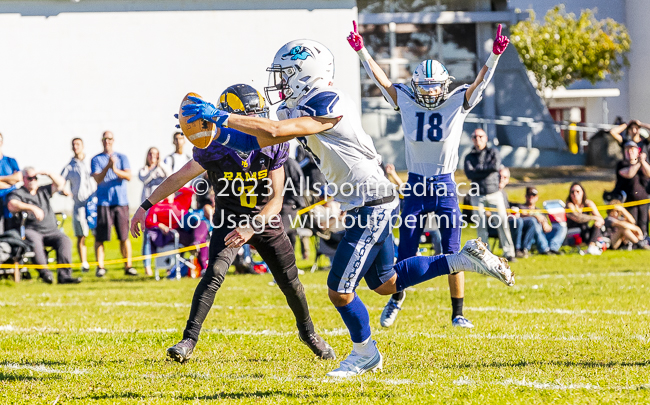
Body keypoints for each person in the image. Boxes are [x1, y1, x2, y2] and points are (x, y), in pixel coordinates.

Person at [180, 39, 515, 378]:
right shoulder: (292, 109)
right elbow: (258, 139)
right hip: (364, 202)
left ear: (304, 73)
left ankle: (364, 354)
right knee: (386, 282)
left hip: (373, 201)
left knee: (339, 290)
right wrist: (213, 133)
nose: (279, 83)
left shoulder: (330, 101)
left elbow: (275, 130)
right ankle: (464, 258)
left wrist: (222, 115)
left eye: (285, 75)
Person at [132, 83, 336, 363]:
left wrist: (252, 226)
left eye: (258, 116)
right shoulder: (214, 147)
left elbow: (277, 200)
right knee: (214, 272)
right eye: (248, 117)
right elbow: (179, 178)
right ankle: (188, 340)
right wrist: (145, 206)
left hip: (264, 220)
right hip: (229, 218)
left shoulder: (272, 144)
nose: (256, 123)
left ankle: (309, 332)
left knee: (290, 283)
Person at [348, 22, 510, 329]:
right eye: (425, 86)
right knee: (405, 251)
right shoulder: (407, 99)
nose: (431, 91)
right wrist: (361, 50)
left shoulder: (457, 101)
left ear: (445, 85)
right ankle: (396, 298)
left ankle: (458, 312)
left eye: (435, 86)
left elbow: (479, 84)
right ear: (416, 85)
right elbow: (383, 82)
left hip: (446, 185)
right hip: (416, 186)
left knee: (452, 252)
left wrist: (494, 57)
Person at [7, 168, 81, 284]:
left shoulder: (43, 191)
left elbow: (61, 184)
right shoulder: (18, 193)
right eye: (30, 178)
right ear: (24, 179)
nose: (33, 180)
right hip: (31, 230)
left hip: (51, 231)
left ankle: (64, 276)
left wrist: (48, 173)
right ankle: (45, 274)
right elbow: (12, 204)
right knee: (35, 242)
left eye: (35, 178)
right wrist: (32, 208)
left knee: (65, 240)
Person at [465, 128, 516, 261]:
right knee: (481, 225)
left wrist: (478, 170)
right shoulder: (469, 156)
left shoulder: (493, 152)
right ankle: (484, 254)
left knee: (502, 222)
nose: (478, 139)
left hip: (494, 192)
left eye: (480, 136)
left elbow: (495, 167)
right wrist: (484, 169)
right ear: (472, 139)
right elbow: (469, 174)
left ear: (486, 138)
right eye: (475, 137)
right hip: (477, 195)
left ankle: (509, 252)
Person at [91, 131, 136, 277]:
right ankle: (101, 267)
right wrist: (108, 167)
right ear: (101, 141)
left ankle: (128, 266)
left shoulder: (122, 158)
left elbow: (129, 176)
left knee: (124, 236)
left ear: (113, 140)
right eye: (104, 139)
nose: (107, 141)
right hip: (104, 202)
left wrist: (115, 169)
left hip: (120, 201)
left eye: (109, 139)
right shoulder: (96, 159)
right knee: (101, 237)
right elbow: (98, 179)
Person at [61, 138, 95, 273]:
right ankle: (84, 263)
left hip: (93, 202)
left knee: (98, 234)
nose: (76, 147)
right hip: (79, 204)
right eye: (73, 145)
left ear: (83, 146)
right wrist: (64, 191)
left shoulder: (90, 163)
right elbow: (60, 182)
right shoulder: (70, 166)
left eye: (78, 144)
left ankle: (100, 264)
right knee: (81, 234)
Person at [139, 147, 172, 276]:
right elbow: (144, 178)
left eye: (155, 154)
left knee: (165, 235)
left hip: (162, 208)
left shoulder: (163, 167)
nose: (153, 156)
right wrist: (153, 169)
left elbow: (170, 176)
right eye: (150, 154)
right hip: (148, 208)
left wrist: (160, 165)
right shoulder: (144, 170)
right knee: (147, 237)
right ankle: (147, 266)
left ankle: (167, 264)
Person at [614, 141, 650, 241]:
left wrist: (642, 161)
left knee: (643, 222)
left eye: (632, 149)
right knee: (632, 221)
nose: (630, 152)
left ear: (637, 151)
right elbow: (629, 173)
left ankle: (643, 240)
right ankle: (632, 241)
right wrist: (638, 163)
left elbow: (649, 173)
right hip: (629, 200)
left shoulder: (644, 163)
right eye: (627, 149)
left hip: (643, 200)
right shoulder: (622, 164)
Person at [495, 167, 534, 258]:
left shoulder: (503, 193)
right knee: (518, 221)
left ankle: (524, 249)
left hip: (508, 221)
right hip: (495, 223)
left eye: (505, 177)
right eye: (499, 176)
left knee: (531, 221)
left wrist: (513, 213)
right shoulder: (491, 192)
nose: (501, 179)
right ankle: (516, 249)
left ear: (508, 180)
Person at [565, 182, 605, 255]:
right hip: (574, 233)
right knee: (584, 226)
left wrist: (598, 221)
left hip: (585, 231)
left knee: (597, 225)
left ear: (582, 192)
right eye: (572, 192)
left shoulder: (588, 203)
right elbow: (578, 218)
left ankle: (591, 247)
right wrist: (594, 218)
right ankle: (592, 247)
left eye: (577, 191)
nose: (575, 194)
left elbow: (600, 218)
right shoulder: (569, 205)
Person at [0, 132, 22, 233]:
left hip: (10, 201)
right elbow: (13, 180)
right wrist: (9, 181)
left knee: (13, 233)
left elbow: (18, 177)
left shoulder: (10, 161)